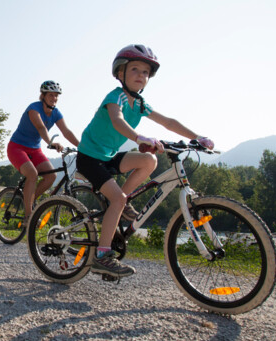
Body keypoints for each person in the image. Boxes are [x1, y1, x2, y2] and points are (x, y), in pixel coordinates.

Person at [77, 44, 215, 278]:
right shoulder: (115, 97)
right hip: (89, 158)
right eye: (135, 70)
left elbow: (168, 122)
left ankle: (119, 204)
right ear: (120, 73)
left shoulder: (140, 103)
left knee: (148, 161)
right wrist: (140, 137)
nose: (141, 76)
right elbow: (118, 121)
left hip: (109, 157)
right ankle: (101, 256)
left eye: (145, 72)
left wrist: (197, 136)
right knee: (118, 198)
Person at [7, 80, 81, 223]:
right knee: (32, 174)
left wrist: (82, 147)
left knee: (52, 176)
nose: (54, 98)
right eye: (51, 95)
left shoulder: (56, 113)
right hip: (17, 147)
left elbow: (66, 131)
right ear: (43, 96)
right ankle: (29, 217)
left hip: (35, 149)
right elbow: (41, 128)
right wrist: (51, 143)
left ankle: (29, 200)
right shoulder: (34, 109)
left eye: (56, 96)